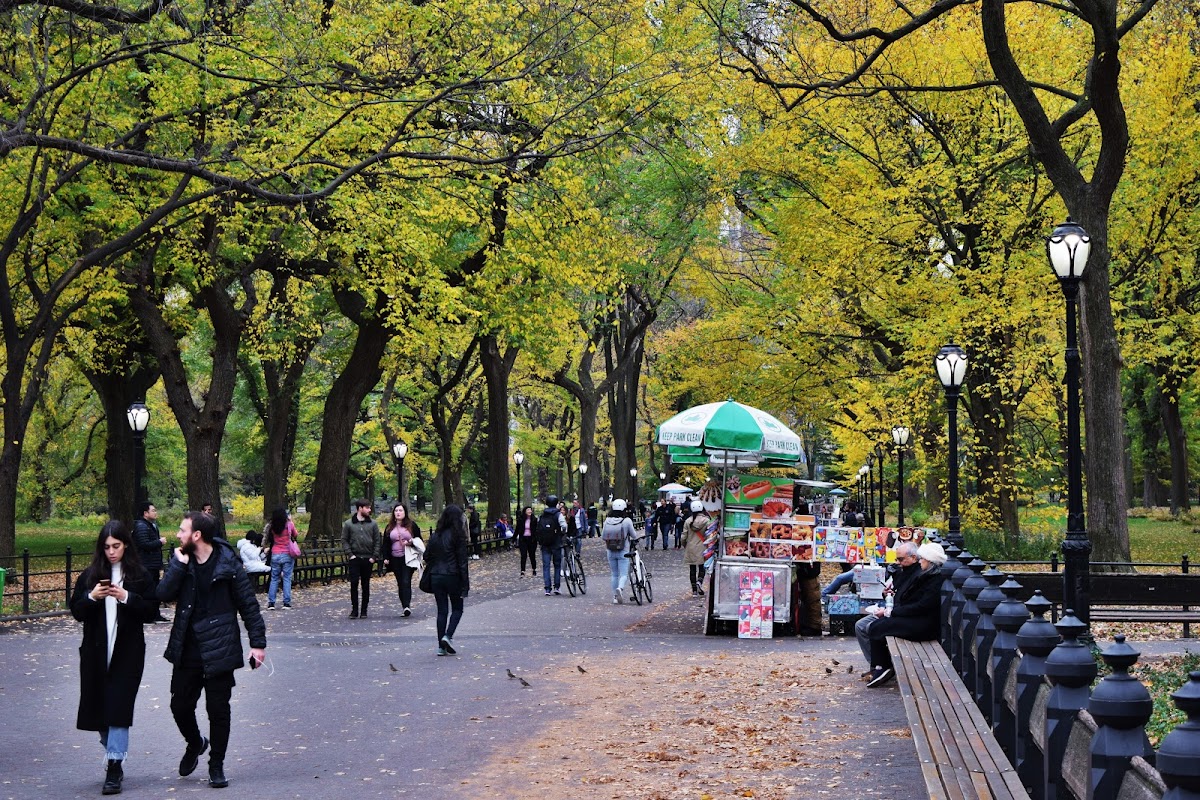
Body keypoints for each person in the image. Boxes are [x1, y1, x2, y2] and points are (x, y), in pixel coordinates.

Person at [158, 511, 266, 789]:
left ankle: (216, 764)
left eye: (183, 530)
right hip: (188, 647)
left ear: (197, 535)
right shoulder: (182, 559)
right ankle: (196, 742)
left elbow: (248, 605)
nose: (178, 535)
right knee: (179, 705)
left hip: (220, 646)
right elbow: (163, 593)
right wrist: (178, 566)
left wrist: (258, 644)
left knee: (218, 710)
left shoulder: (229, 563)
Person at [70, 520, 157, 795]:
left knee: (118, 709)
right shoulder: (89, 576)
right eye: (106, 547)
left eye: (116, 546)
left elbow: (151, 611)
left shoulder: (139, 576)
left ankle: (114, 767)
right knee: (99, 711)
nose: (111, 552)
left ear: (126, 545)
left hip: (127, 654)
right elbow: (77, 611)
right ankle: (113, 751)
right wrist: (92, 597)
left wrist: (127, 597)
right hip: (96, 653)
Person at [864, 541, 948, 687]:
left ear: (931, 562)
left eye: (923, 559)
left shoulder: (934, 580)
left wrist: (892, 612)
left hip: (925, 625)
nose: (920, 561)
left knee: (878, 627)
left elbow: (922, 606)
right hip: (918, 619)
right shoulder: (926, 576)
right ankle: (881, 666)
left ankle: (883, 666)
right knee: (877, 626)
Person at [425, 503, 470, 655]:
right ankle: (448, 635)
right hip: (453, 575)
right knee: (457, 608)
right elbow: (462, 562)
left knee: (442, 611)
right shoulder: (458, 537)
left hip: (436, 576)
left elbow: (426, 556)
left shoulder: (435, 535)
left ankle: (440, 647)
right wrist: (465, 584)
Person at [341, 499, 381, 619]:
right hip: (355, 557)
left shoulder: (373, 524)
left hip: (368, 558)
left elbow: (377, 541)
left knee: (365, 584)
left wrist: (374, 556)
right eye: (367, 508)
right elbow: (344, 540)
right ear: (360, 508)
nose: (369, 510)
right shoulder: (349, 524)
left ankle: (364, 610)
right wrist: (350, 554)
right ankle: (354, 609)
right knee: (354, 583)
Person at [381, 503, 422, 617]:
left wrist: (410, 542)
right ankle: (404, 606)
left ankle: (407, 605)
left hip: (408, 557)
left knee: (406, 580)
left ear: (405, 513)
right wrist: (385, 557)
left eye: (401, 510)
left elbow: (419, 540)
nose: (398, 512)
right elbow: (385, 543)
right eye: (396, 511)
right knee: (400, 582)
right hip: (395, 558)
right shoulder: (389, 527)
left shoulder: (411, 525)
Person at [131, 501, 169, 622]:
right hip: (146, 564)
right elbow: (143, 544)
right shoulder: (141, 526)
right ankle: (148, 615)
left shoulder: (152, 525)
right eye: (153, 510)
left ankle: (155, 614)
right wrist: (159, 542)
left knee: (155, 590)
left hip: (153, 564)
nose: (155, 512)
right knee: (148, 591)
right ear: (145, 513)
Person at [601, 499, 637, 604]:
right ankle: (620, 589)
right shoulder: (626, 521)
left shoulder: (607, 520)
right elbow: (634, 535)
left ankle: (615, 597)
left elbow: (603, 535)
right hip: (623, 550)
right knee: (624, 574)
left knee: (614, 574)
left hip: (610, 550)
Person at [263, 507, 298, 609]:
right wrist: (291, 521)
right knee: (287, 578)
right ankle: (286, 602)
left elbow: (268, 538)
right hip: (287, 553)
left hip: (275, 553)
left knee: (274, 578)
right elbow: (295, 534)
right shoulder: (289, 525)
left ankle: (271, 603)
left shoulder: (272, 526)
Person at [536, 496, 567, 596]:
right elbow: (564, 526)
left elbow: (538, 527)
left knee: (546, 566)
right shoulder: (558, 514)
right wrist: (562, 533)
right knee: (557, 565)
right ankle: (557, 587)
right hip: (556, 542)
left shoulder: (543, 515)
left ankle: (547, 589)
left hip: (545, 543)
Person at [682, 500, 711, 597]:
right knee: (702, 567)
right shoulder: (706, 521)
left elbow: (683, 536)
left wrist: (684, 545)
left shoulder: (688, 521)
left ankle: (694, 590)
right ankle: (700, 581)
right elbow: (710, 534)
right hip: (703, 546)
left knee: (692, 568)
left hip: (690, 547)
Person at [516, 506, 538, 577]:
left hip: (531, 540)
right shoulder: (520, 519)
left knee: (532, 555)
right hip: (523, 539)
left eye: (530, 510)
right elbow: (517, 529)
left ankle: (534, 569)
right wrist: (513, 538)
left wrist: (537, 538)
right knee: (523, 555)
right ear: (525, 511)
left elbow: (536, 530)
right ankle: (522, 571)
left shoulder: (534, 519)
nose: (530, 511)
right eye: (528, 510)